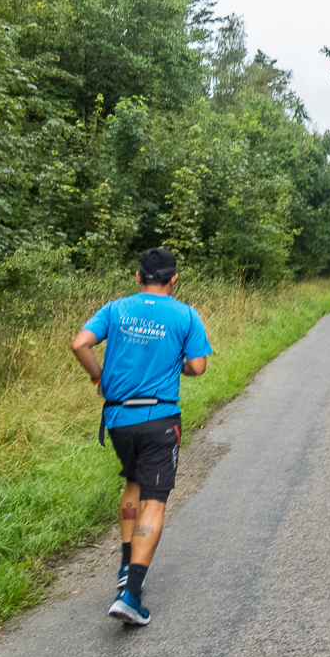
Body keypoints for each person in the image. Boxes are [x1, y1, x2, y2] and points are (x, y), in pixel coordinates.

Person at [70, 247, 213, 627]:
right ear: (173, 279)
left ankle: (124, 566)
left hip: (118, 417)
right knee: (155, 498)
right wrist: (174, 361)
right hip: (160, 417)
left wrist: (97, 376)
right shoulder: (185, 314)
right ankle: (130, 594)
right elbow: (198, 367)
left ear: (138, 276)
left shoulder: (116, 309)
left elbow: (79, 343)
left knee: (133, 482)